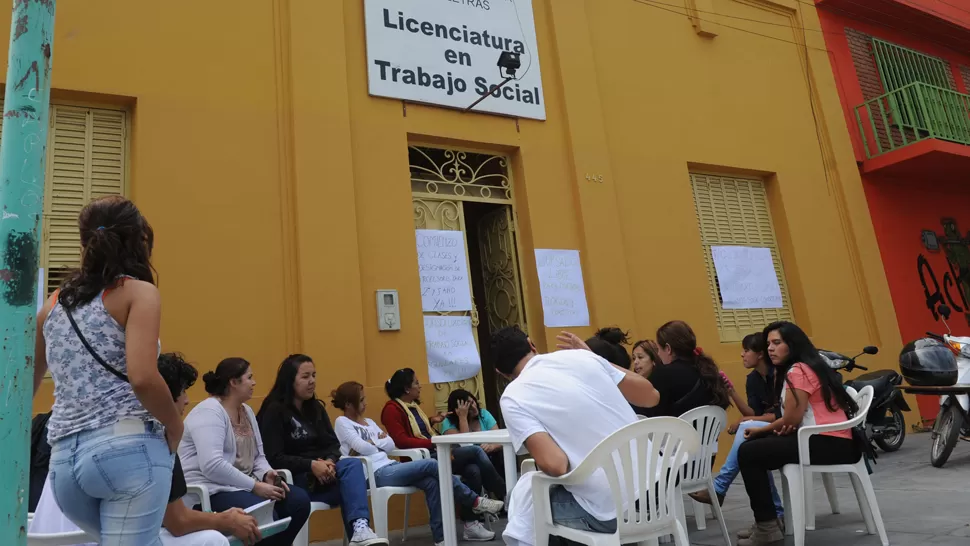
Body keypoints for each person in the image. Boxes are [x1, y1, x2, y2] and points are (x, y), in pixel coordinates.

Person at [32, 196, 182, 545]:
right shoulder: (138, 293)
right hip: (128, 452)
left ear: (84, 242)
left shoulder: (53, 304)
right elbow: (142, 376)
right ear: (139, 239)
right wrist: (175, 423)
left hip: (65, 464)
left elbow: (25, 384)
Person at [30, 352, 262, 546]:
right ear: (163, 398)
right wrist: (226, 520)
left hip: (44, 536)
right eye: (182, 392)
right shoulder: (154, 439)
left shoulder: (73, 433)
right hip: (97, 538)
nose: (187, 400)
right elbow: (177, 522)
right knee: (213, 540)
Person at [493, 327, 661, 546]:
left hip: (611, 512)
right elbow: (651, 397)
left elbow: (556, 465)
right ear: (531, 344)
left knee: (528, 501)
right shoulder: (584, 358)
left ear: (500, 372)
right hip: (658, 490)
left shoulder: (513, 397)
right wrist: (592, 357)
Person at [735, 322, 862, 546]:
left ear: (791, 345)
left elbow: (792, 419)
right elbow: (792, 419)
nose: (770, 349)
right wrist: (767, 430)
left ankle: (767, 526)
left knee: (749, 453)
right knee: (756, 446)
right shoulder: (809, 366)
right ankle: (769, 522)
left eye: (777, 343)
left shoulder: (797, 371)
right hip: (835, 441)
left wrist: (761, 430)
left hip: (828, 442)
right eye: (768, 344)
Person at [332, 382, 504, 545]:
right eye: (361, 400)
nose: (365, 403)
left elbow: (390, 444)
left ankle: (442, 539)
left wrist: (373, 442)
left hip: (390, 466)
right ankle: (474, 501)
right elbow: (361, 446)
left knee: (432, 482)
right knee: (430, 464)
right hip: (374, 473)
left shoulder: (369, 422)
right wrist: (377, 442)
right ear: (348, 404)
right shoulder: (342, 423)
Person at [256, 354, 387, 546]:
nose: (312, 382)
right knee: (350, 487)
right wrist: (311, 465)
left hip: (327, 477)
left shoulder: (316, 408)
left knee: (352, 465)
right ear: (290, 380)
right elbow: (274, 457)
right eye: (305, 377)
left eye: (314, 376)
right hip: (297, 483)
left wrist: (329, 462)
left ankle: (360, 530)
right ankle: (359, 534)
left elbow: (333, 445)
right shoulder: (274, 411)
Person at [179, 358, 310, 546]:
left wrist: (266, 474)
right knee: (263, 515)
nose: (254, 382)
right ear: (233, 382)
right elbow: (212, 466)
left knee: (298, 501)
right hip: (212, 490)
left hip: (243, 486)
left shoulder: (247, 411)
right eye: (249, 377)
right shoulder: (209, 411)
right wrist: (255, 486)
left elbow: (259, 457)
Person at [689, 333, 783, 521]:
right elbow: (752, 412)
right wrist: (731, 391)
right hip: (767, 429)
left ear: (760, 355)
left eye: (746, 350)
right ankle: (777, 513)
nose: (742, 354)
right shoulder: (753, 379)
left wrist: (745, 421)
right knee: (750, 444)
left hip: (785, 427)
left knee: (747, 432)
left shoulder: (779, 375)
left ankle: (720, 486)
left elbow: (779, 414)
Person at [380, 368, 506, 504]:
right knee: (476, 450)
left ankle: (470, 521)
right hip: (423, 458)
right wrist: (434, 442)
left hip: (435, 451)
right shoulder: (392, 409)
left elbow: (416, 428)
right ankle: (505, 494)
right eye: (416, 383)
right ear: (407, 389)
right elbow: (402, 440)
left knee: (473, 470)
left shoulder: (412, 406)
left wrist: (432, 420)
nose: (420, 386)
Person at [637, 320, 731, 417]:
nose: (658, 354)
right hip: (706, 432)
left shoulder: (663, 374)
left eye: (658, 349)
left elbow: (645, 412)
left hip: (675, 431)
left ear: (668, 349)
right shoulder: (708, 370)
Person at [440, 389, 504, 477]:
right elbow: (465, 446)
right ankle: (501, 488)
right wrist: (463, 417)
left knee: (500, 455)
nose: (474, 408)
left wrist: (491, 446)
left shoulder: (484, 414)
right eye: (469, 407)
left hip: (489, 456)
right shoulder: (448, 422)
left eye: (473, 402)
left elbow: (501, 439)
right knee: (474, 469)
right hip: (462, 461)